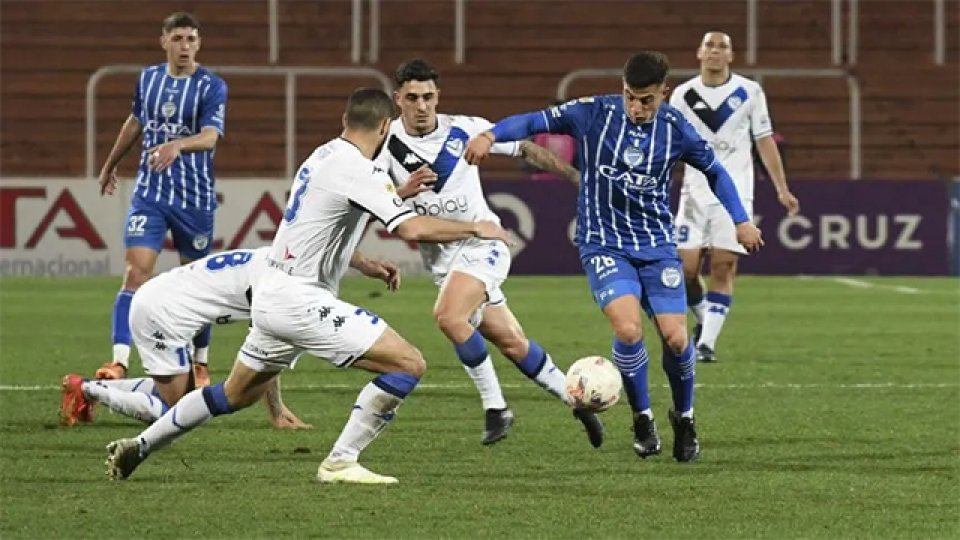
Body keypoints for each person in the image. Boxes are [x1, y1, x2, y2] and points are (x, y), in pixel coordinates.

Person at [105, 88, 513, 484]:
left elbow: (325, 226)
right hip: (298, 299)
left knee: (234, 395)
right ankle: (340, 461)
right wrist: (477, 227)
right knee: (408, 364)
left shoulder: (323, 156)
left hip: (272, 290)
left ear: (344, 121)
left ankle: (140, 445)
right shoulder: (360, 170)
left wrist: (365, 262)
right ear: (387, 126)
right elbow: (413, 228)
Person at [465, 51, 763, 463]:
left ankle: (685, 417)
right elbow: (535, 121)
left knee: (677, 339)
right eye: (630, 96)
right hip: (604, 243)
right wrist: (491, 134)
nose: (636, 107)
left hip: (657, 245)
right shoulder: (593, 112)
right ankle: (642, 418)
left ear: (664, 93)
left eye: (646, 100)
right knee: (628, 330)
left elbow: (715, 171)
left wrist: (741, 221)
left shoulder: (677, 128)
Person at [375, 59, 601, 447]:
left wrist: (578, 179)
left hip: (485, 243)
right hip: (443, 262)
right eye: (412, 98)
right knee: (512, 342)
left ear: (438, 97)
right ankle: (574, 399)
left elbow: (527, 148)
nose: (422, 106)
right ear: (398, 100)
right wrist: (401, 193)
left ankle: (496, 408)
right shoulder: (383, 146)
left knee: (448, 317)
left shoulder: (466, 128)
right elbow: (372, 203)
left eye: (428, 97)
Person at [61, 245, 393, 429]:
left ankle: (90, 390)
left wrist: (364, 264)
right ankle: (86, 388)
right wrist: (276, 412)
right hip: (160, 313)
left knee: (189, 396)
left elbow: (268, 346)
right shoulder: (279, 284)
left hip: (162, 300)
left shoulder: (277, 259)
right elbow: (268, 341)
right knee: (176, 412)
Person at [95, 12, 228, 386]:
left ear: (198, 44)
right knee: (135, 273)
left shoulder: (211, 86)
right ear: (164, 41)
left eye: (191, 39)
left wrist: (177, 145)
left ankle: (200, 362)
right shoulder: (148, 78)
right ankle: (119, 361)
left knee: (196, 283)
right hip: (150, 194)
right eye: (178, 38)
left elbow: (210, 137)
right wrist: (110, 164)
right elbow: (136, 122)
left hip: (194, 198)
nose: (184, 46)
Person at [670, 31, 800, 363]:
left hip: (735, 194)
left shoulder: (750, 92)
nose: (715, 51)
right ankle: (705, 319)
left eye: (722, 46)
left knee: (724, 266)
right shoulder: (682, 95)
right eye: (709, 46)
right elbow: (668, 144)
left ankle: (706, 344)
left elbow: (764, 140)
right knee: (683, 271)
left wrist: (781, 189)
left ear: (731, 55)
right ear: (699, 53)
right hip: (693, 194)